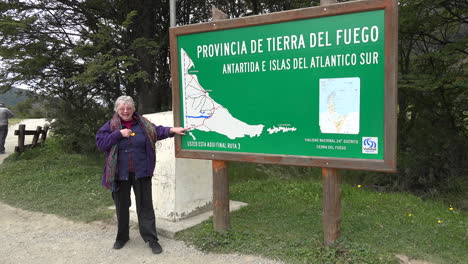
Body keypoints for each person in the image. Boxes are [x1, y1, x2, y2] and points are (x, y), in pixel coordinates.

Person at [96, 96, 186, 254]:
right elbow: (101, 143)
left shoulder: (143, 124)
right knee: (122, 207)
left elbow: (157, 131)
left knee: (145, 207)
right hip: (119, 174)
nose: (125, 111)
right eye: (122, 108)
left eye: (129, 108)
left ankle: (151, 239)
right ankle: (122, 237)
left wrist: (172, 130)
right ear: (117, 110)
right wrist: (118, 134)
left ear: (133, 109)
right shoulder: (111, 126)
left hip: (142, 173)